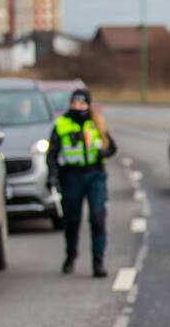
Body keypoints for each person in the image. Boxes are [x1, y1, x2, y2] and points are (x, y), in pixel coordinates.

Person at [46, 89, 117, 277]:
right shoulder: (62, 124)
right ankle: (71, 254)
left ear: (88, 104)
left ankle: (98, 260)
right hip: (71, 176)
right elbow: (52, 153)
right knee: (72, 219)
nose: (78, 107)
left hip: (95, 174)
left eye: (82, 103)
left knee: (97, 217)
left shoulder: (97, 123)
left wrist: (104, 153)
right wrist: (52, 175)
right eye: (75, 103)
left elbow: (112, 147)